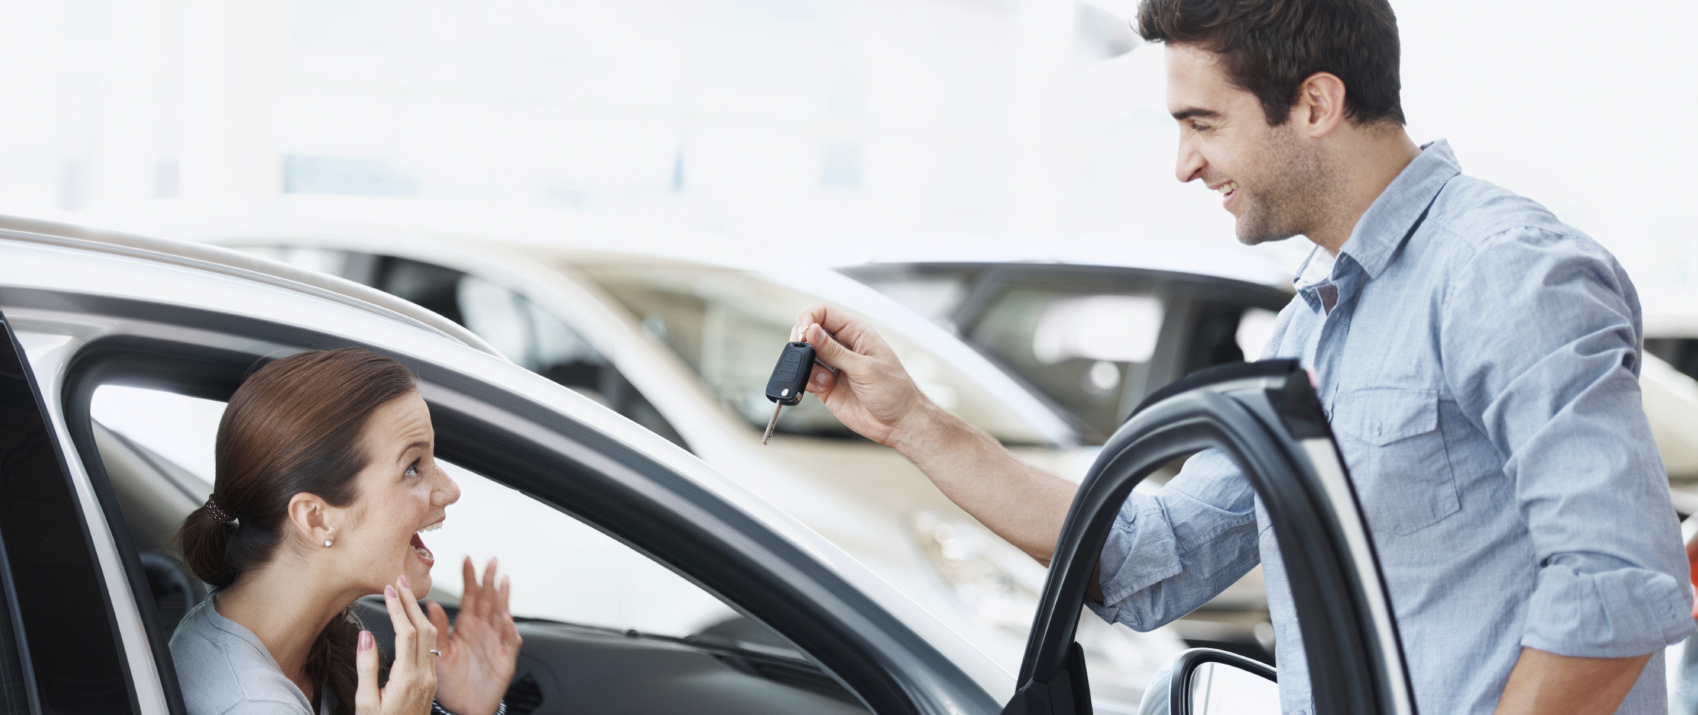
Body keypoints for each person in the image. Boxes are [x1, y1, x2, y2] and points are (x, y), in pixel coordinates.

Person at [791, 0, 1694, 712]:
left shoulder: (1502, 272)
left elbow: (1616, 581)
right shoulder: (1314, 322)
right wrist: (913, 422)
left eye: (1202, 122)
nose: (1184, 164)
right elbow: (1150, 560)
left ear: (1314, 102)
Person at [170, 348, 522, 715]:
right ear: (317, 519)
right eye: (413, 467)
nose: (450, 490)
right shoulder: (250, 704)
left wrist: (465, 710)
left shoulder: (288, 647)